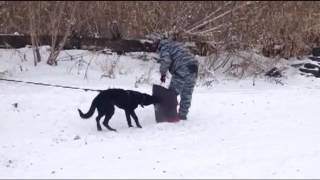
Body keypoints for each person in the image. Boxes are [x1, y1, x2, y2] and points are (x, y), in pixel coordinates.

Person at [146, 33, 199, 122]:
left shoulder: (164, 46)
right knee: (187, 92)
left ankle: (170, 115)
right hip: (194, 66)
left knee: (172, 92)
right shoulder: (175, 44)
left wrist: (163, 73)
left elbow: (166, 60)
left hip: (182, 67)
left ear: (157, 42)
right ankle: (183, 115)